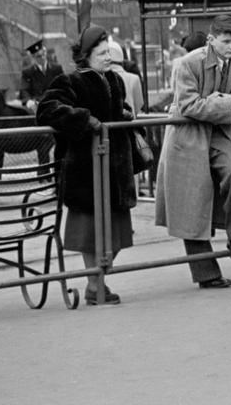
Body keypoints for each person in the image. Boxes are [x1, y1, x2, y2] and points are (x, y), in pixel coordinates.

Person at [36, 25, 150, 305]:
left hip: (116, 169)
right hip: (85, 171)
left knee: (118, 233)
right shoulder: (71, 81)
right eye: (101, 54)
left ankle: (97, 280)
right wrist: (83, 119)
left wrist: (123, 113)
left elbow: (116, 110)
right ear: (85, 56)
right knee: (89, 233)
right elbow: (46, 109)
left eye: (108, 52)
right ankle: (94, 285)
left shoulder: (115, 80)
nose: (108, 57)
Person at [155, 14, 231, 290]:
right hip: (189, 137)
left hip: (221, 132)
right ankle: (207, 274)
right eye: (226, 42)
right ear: (212, 40)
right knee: (193, 202)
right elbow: (189, 106)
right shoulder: (189, 63)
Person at [19, 40, 63, 110]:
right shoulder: (27, 72)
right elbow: (24, 90)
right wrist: (29, 102)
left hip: (55, 103)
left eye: (43, 54)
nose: (42, 58)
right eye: (38, 56)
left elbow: (63, 86)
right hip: (37, 105)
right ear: (33, 57)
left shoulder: (56, 68)